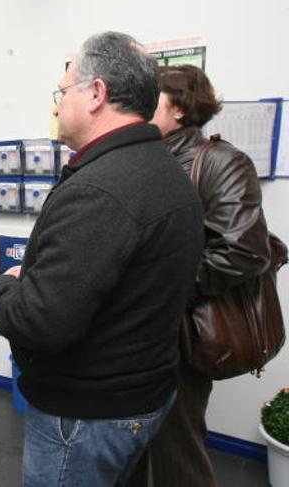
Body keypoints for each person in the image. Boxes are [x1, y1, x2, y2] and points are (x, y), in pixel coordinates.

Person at [0, 32, 204, 487]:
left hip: (85, 417)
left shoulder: (99, 189)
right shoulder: (165, 170)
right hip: (140, 399)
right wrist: (43, 281)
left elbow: (39, 323)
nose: (58, 105)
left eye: (62, 93)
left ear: (97, 93)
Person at [127, 65, 274, 487]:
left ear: (179, 107)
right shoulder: (141, 161)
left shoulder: (221, 162)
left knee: (177, 449)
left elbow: (243, 251)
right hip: (137, 331)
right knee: (129, 446)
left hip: (182, 334)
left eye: (150, 97)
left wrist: (162, 289)